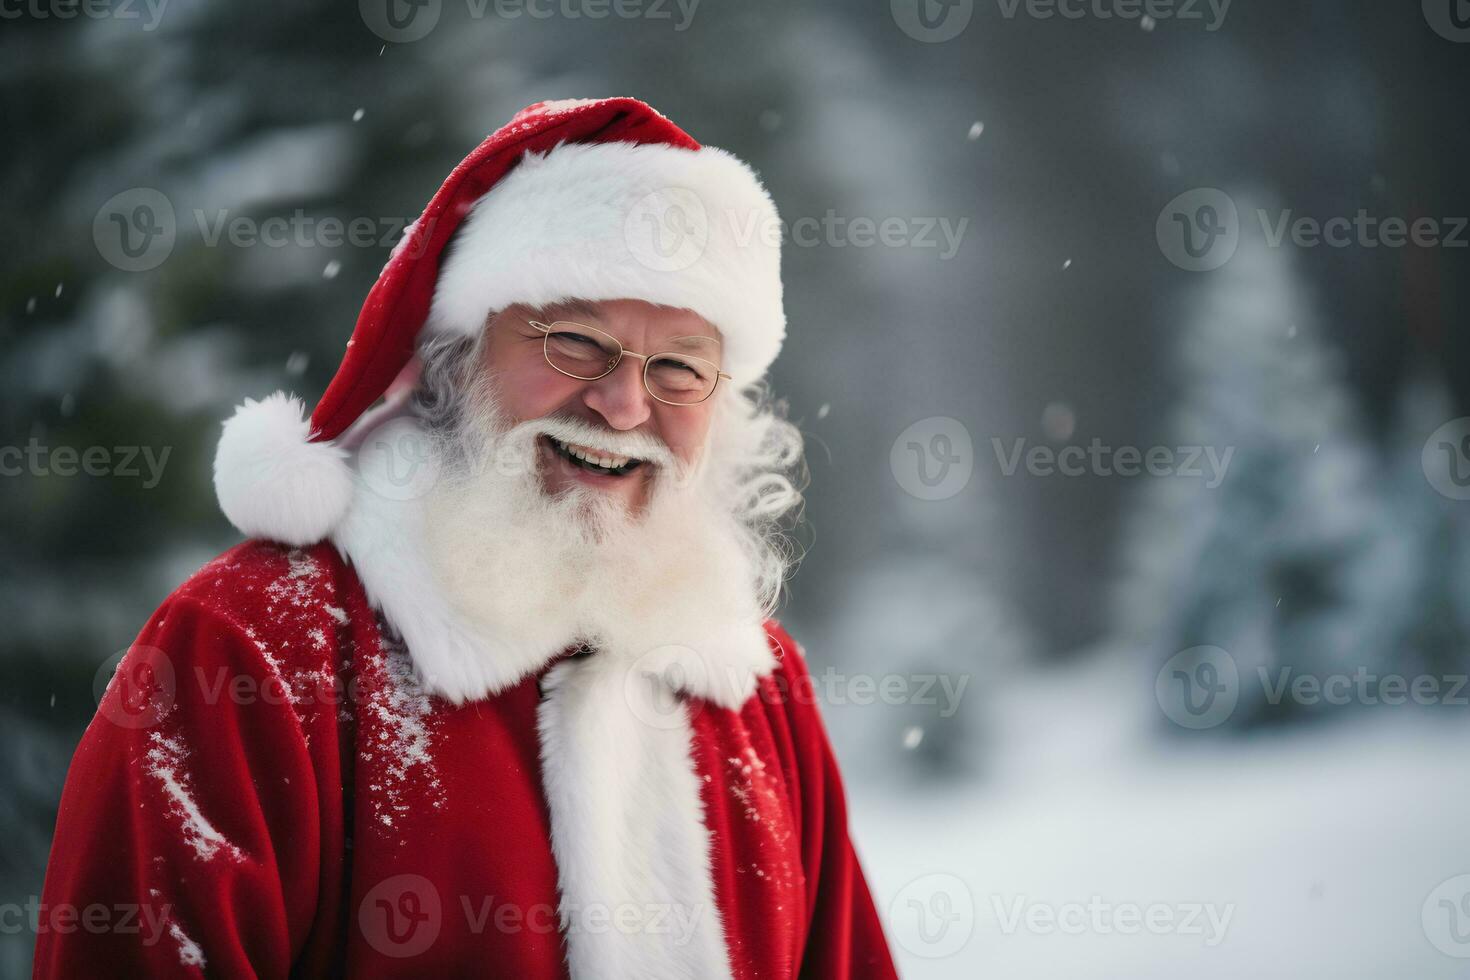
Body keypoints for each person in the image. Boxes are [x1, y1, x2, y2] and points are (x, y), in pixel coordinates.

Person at [35, 96, 899, 979]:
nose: (626, 405)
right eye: (574, 343)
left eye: (679, 367)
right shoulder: (249, 651)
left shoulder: (758, 687)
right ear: (456, 353)